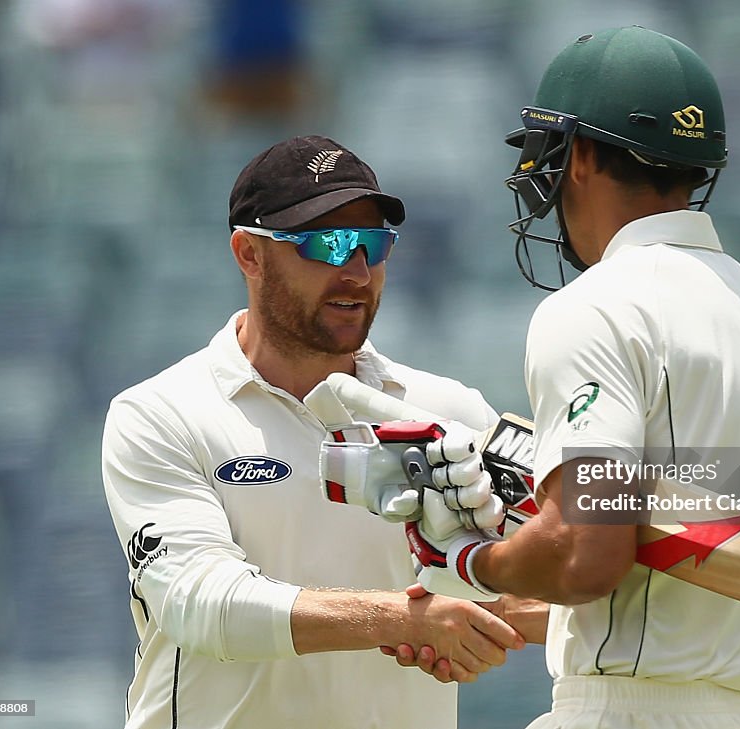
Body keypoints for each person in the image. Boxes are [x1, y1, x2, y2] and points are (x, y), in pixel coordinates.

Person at [400, 26, 740, 729]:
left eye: (550, 151)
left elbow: (587, 548)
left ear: (585, 155)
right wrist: (514, 602)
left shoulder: (599, 304)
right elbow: (676, 561)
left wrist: (472, 559)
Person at [101, 135, 526, 729]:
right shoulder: (159, 414)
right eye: (327, 243)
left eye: (374, 245)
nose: (356, 271)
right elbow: (200, 604)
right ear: (249, 254)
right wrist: (403, 621)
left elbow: (541, 587)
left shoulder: (449, 409)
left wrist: (496, 608)